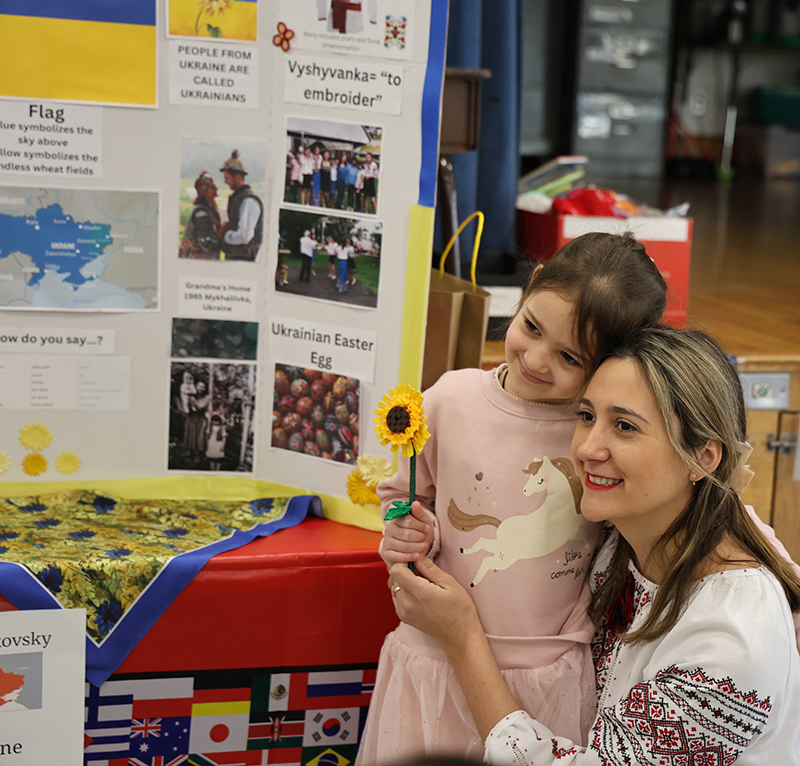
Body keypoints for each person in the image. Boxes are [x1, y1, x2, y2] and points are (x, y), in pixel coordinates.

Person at [389, 326, 800, 764]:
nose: (587, 447)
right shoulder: (619, 537)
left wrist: (462, 639)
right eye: (586, 416)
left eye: (624, 426)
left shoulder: (731, 641)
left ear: (703, 457)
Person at [357, 233, 670, 764]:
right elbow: (397, 496)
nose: (537, 359)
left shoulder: (596, 435)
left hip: (547, 676)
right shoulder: (448, 400)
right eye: (530, 327)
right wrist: (407, 527)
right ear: (528, 289)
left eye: (569, 356)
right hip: (433, 656)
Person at [219, 150, 264, 262]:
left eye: (227, 177)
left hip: (245, 260)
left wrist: (225, 235)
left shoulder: (248, 201)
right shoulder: (239, 198)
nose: (225, 182)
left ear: (238, 177)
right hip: (237, 258)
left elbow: (245, 236)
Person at [179, 171, 221, 260]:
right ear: (205, 191)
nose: (216, 188)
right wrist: (223, 231)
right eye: (212, 186)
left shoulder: (208, 209)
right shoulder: (201, 213)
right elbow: (206, 243)